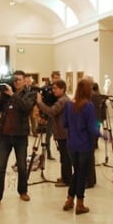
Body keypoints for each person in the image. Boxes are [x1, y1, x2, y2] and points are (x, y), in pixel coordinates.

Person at [0, 70, 36, 208]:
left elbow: (26, 107)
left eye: (19, 80)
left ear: (24, 80)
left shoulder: (29, 94)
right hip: (4, 135)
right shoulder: (5, 94)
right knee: (0, 167)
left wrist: (12, 95)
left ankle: (23, 191)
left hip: (20, 136)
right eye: (14, 79)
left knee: (22, 167)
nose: (16, 82)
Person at [62, 78, 102, 214]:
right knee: (81, 173)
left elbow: (65, 124)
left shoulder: (69, 105)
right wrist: (103, 134)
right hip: (84, 144)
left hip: (71, 144)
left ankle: (69, 199)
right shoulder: (88, 106)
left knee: (77, 171)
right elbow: (92, 128)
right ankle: (80, 203)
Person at [36, 79, 71, 187]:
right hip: (62, 132)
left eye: (55, 88)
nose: (53, 90)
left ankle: (67, 179)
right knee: (64, 156)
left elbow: (52, 111)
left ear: (62, 89)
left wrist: (39, 102)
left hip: (63, 133)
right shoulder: (63, 99)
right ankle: (65, 176)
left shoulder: (62, 101)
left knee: (65, 157)